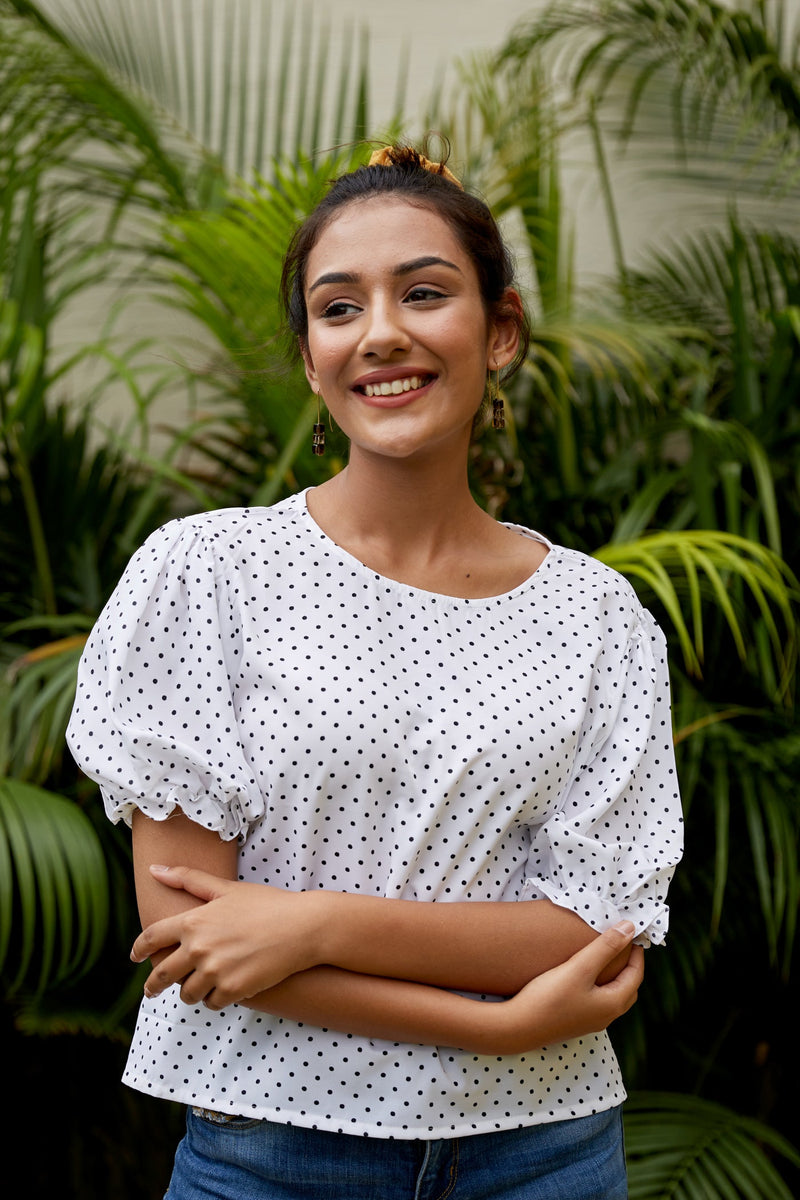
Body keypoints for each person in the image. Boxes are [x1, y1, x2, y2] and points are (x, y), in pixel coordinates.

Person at [66, 143, 683, 1200]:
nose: (381, 332)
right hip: (272, 1154)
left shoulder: (599, 616)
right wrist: (498, 1025)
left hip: (546, 1156)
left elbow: (588, 930)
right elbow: (195, 942)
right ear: (312, 360)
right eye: (338, 308)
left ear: (499, 330)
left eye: (424, 293)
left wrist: (312, 922)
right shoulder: (205, 573)